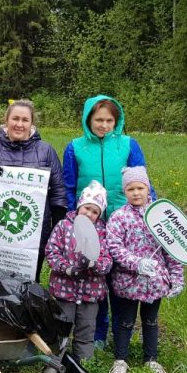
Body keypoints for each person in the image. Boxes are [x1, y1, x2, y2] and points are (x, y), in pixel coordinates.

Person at [62, 95, 156, 349]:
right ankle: (98, 333)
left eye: (109, 120)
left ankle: (121, 331)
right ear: (87, 120)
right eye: (98, 120)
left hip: (125, 224)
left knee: (122, 278)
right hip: (91, 223)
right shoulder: (75, 147)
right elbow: (69, 187)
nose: (103, 125)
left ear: (117, 121)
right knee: (95, 277)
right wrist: (72, 220)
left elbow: (144, 182)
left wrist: (151, 213)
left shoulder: (128, 145)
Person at [0, 99, 67, 281]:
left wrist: (57, 227)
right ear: (6, 120)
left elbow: (58, 192)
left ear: (31, 123)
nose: (19, 124)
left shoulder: (46, 151)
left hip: (34, 235)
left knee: (27, 286)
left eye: (25, 120)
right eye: (15, 118)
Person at [106, 167, 184, 373]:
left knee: (151, 321)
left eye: (140, 187)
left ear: (148, 189)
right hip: (128, 282)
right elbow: (114, 247)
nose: (136, 193)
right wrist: (136, 262)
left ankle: (151, 359)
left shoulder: (160, 217)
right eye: (131, 189)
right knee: (125, 321)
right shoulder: (119, 217)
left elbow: (172, 251)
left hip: (156, 283)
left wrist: (176, 279)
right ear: (125, 191)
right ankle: (120, 360)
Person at [44, 180, 112, 373]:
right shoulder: (64, 226)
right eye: (87, 208)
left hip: (91, 293)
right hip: (64, 290)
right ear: (80, 205)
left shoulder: (102, 232)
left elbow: (107, 259)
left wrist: (95, 265)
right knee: (61, 329)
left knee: (86, 331)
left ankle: (82, 368)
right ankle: (54, 364)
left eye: (95, 212)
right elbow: (52, 252)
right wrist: (67, 268)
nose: (89, 214)